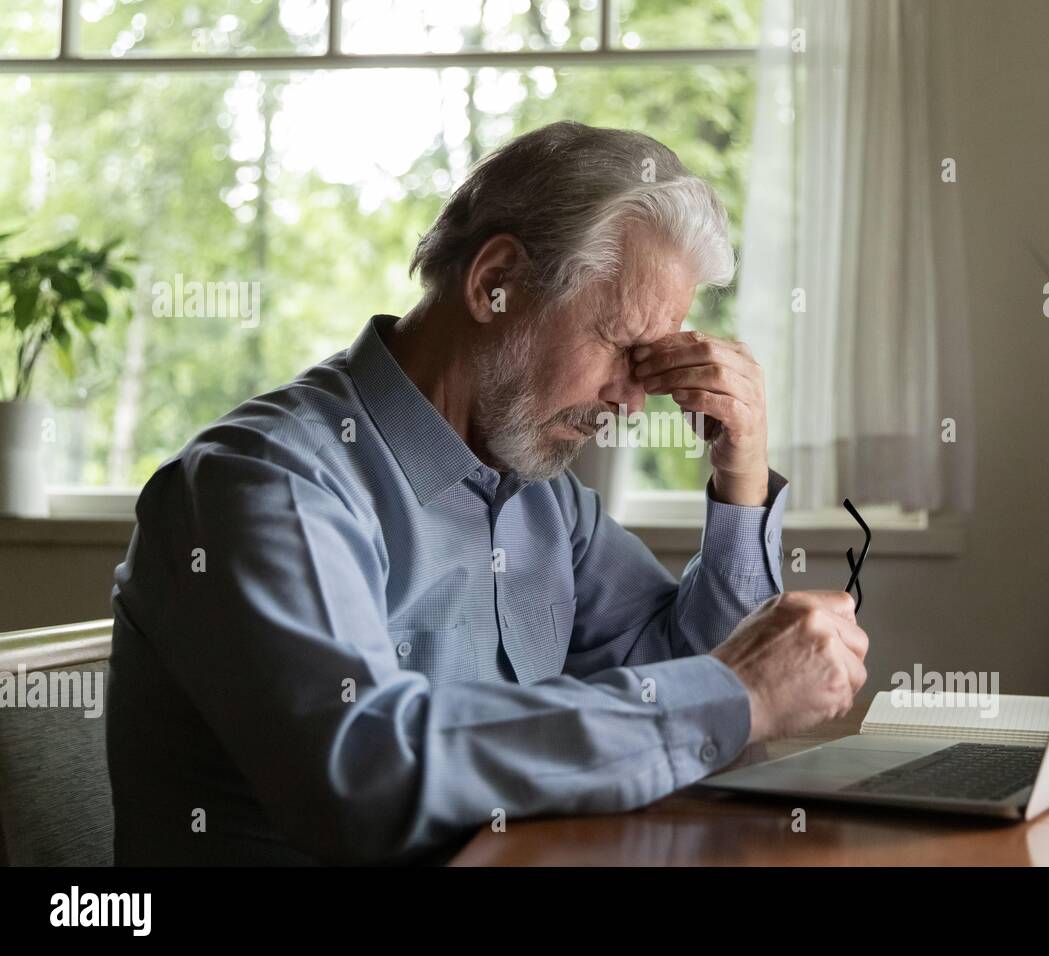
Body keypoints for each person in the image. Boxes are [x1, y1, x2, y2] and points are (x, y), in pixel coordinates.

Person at [107, 121, 869, 865]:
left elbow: (700, 688)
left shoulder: (541, 496)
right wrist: (737, 692)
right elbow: (362, 773)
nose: (633, 403)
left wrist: (741, 478)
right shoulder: (268, 481)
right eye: (622, 346)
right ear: (495, 283)